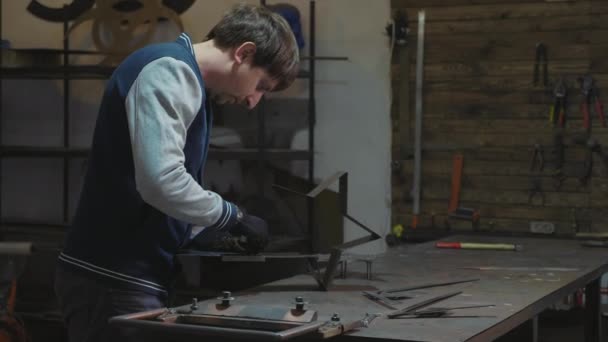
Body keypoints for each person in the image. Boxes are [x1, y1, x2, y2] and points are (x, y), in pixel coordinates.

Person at [54, 4, 299, 342]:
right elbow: (161, 182)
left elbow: (161, 189)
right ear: (244, 53)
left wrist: (209, 231)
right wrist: (229, 215)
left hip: (128, 279)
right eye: (261, 85)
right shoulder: (169, 71)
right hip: (111, 280)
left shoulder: (189, 83)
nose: (254, 101)